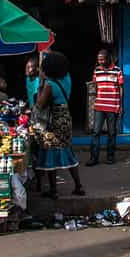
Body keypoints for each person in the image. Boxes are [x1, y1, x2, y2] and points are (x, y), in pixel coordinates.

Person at [34, 51, 85, 198]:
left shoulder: (49, 85)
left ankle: (53, 190)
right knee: (67, 149)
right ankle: (78, 186)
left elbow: (40, 104)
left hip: (53, 120)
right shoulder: (67, 78)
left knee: (50, 150)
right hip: (66, 117)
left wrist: (40, 85)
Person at [88, 49, 123, 166]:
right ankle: (94, 158)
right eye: (98, 59)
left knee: (112, 133)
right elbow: (95, 86)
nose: (100, 61)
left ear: (108, 58)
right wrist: (94, 102)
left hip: (113, 106)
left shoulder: (117, 70)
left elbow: (121, 88)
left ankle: (110, 156)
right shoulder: (97, 70)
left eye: (102, 59)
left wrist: (121, 105)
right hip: (99, 106)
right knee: (96, 132)